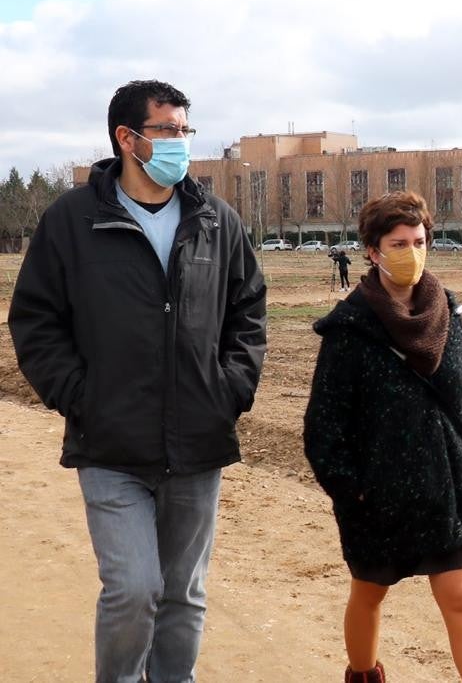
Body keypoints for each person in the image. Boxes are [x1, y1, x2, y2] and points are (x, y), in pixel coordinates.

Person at [7, 79, 267, 681]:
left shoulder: (215, 220)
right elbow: (36, 320)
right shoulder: (72, 221)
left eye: (185, 130)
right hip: (111, 444)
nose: (182, 143)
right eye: (168, 130)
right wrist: (81, 397)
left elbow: (248, 311)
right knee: (133, 589)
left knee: (182, 595)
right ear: (128, 139)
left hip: (198, 442)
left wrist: (229, 390)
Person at [304, 191, 462, 683]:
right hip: (378, 499)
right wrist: (354, 491)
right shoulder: (349, 330)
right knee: (369, 594)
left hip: (446, 490)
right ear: (372, 250)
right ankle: (364, 674)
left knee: (460, 597)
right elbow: (324, 428)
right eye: (398, 243)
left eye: (419, 240)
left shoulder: (447, 315)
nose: (412, 251)